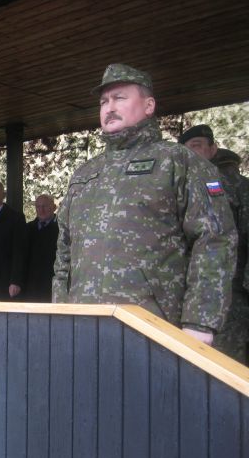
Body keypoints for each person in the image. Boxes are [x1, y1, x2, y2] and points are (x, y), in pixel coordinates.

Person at [52, 64, 237, 345]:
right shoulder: (85, 173)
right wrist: (59, 311)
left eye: (119, 98)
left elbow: (215, 239)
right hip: (84, 327)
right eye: (103, 101)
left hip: (155, 329)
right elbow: (64, 250)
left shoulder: (179, 161)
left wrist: (200, 322)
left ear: (149, 105)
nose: (109, 107)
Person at [180, 124, 249, 363]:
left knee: (225, 363)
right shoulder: (179, 184)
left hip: (230, 293)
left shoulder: (235, 186)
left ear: (213, 149)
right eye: (186, 148)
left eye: (197, 146)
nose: (192, 152)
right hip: (186, 291)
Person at [24, 194, 59, 302]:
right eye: (38, 206)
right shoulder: (27, 228)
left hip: (53, 283)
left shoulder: (62, 229)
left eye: (45, 206)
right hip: (31, 284)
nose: (41, 210)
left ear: (54, 207)